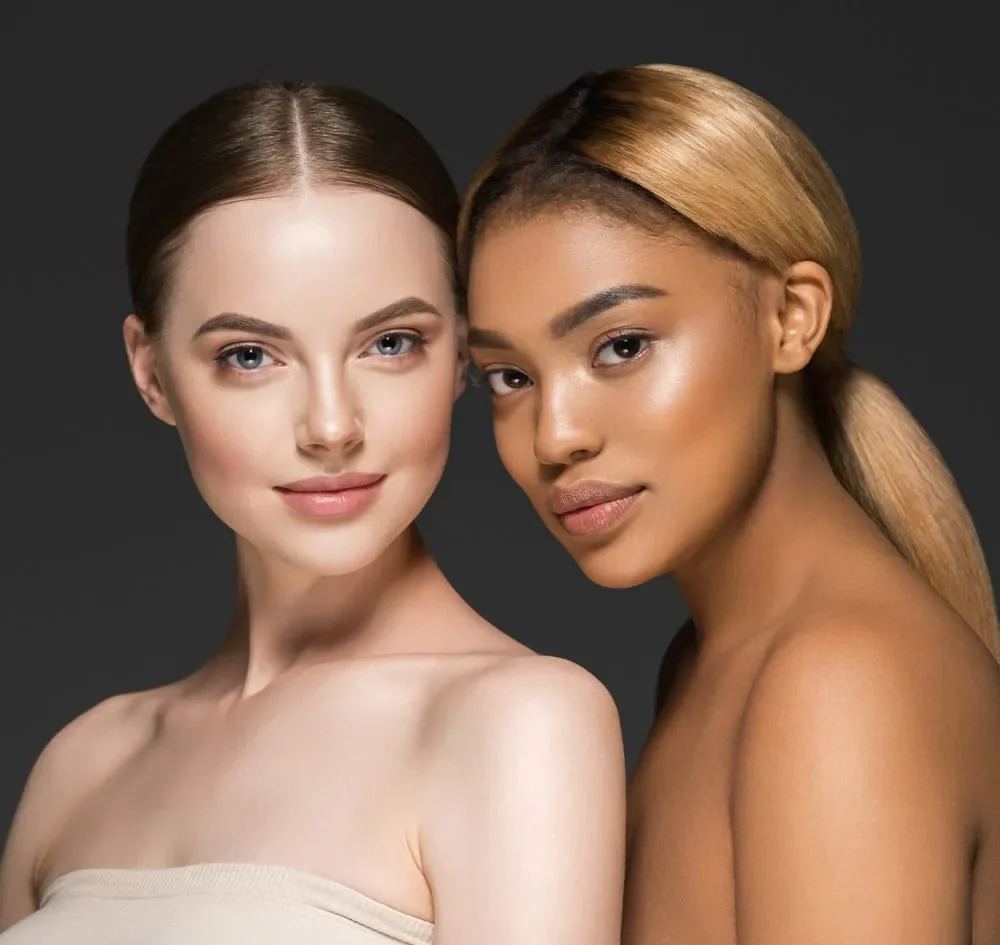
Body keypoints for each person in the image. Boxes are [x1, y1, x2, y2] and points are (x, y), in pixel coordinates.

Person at [0, 80, 626, 945]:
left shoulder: (518, 724)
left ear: (460, 353)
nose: (332, 426)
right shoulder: (80, 763)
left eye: (391, 344)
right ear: (151, 373)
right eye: (251, 355)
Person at [458, 63, 1000, 944]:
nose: (554, 435)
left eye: (620, 345)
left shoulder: (835, 681)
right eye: (510, 376)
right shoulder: (714, 663)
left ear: (790, 318)